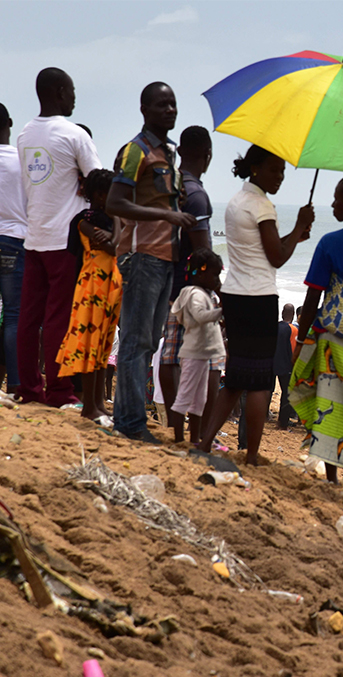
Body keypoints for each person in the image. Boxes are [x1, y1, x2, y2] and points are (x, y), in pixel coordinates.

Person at [197, 146, 313, 464]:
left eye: (283, 171)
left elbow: (260, 251)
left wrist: (295, 236)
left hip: (234, 294)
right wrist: (300, 224)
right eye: (275, 169)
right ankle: (251, 455)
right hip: (259, 298)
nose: (280, 177)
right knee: (260, 382)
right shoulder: (262, 205)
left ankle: (204, 443)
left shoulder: (237, 201)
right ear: (256, 168)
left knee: (236, 378)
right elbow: (276, 257)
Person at [107, 82, 197, 439]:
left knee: (148, 342)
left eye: (173, 104)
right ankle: (129, 424)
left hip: (165, 259)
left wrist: (175, 206)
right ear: (144, 110)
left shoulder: (169, 154)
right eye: (162, 105)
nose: (170, 110)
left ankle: (132, 421)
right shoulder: (135, 151)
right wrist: (166, 215)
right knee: (135, 341)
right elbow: (115, 202)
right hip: (141, 257)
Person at [17, 68, 102, 407]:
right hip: (65, 240)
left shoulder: (24, 134)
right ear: (59, 91)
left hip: (34, 235)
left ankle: (28, 388)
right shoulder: (74, 134)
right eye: (72, 91)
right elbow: (100, 182)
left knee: (28, 319)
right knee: (58, 319)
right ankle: (58, 391)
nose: (74, 98)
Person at [158, 126, 214, 441]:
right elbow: (202, 250)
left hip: (167, 282)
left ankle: (175, 429)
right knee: (203, 362)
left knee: (170, 356)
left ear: (180, 151)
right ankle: (195, 434)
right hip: (191, 289)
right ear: (208, 155)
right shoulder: (196, 194)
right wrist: (214, 288)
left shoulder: (171, 185)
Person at [54, 169, 121, 423]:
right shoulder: (85, 220)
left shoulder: (106, 220)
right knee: (91, 345)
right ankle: (90, 406)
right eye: (111, 193)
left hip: (109, 286)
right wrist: (117, 223)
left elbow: (117, 244)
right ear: (99, 195)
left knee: (103, 346)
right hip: (93, 287)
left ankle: (98, 404)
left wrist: (115, 225)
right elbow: (113, 247)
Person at [167, 248, 224, 444]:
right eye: (214, 275)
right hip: (193, 354)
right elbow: (200, 316)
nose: (217, 280)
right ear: (200, 273)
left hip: (201, 354)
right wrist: (221, 312)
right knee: (184, 397)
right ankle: (178, 439)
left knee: (199, 400)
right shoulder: (195, 295)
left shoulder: (200, 293)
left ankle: (193, 440)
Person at [0, 102, 27, 394]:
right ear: (9, 122)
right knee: (13, 315)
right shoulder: (21, 160)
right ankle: (16, 385)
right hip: (14, 241)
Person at [274, 303, 299, 429]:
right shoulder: (293, 330)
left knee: (268, 391)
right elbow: (294, 350)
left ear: (282, 313)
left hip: (272, 364)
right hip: (286, 365)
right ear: (293, 315)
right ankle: (283, 422)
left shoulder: (275, 326)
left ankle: (265, 416)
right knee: (287, 394)